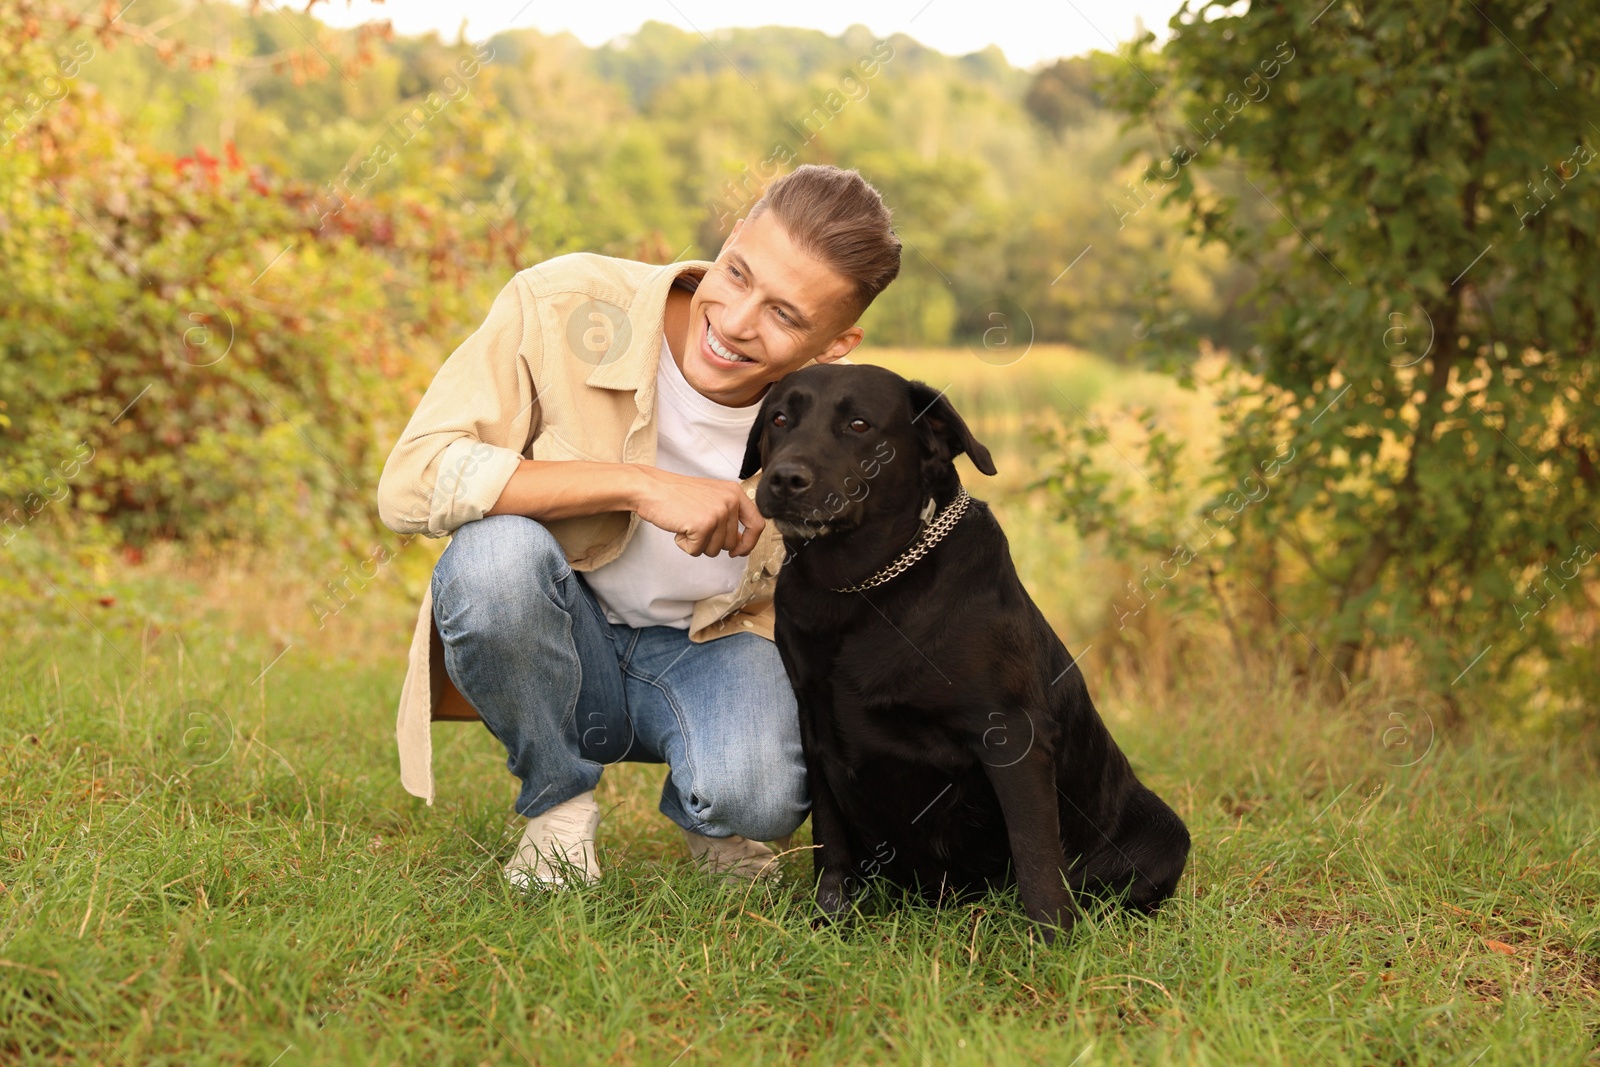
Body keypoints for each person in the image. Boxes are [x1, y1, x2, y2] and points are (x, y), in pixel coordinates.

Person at [375, 165, 903, 889]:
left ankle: (717, 812)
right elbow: (411, 482)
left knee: (761, 792)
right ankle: (557, 806)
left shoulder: (846, 427)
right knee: (492, 556)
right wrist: (639, 485)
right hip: (564, 633)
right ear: (730, 237)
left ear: (837, 344)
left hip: (711, 650)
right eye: (739, 273)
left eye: (785, 315)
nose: (738, 321)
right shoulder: (562, 301)